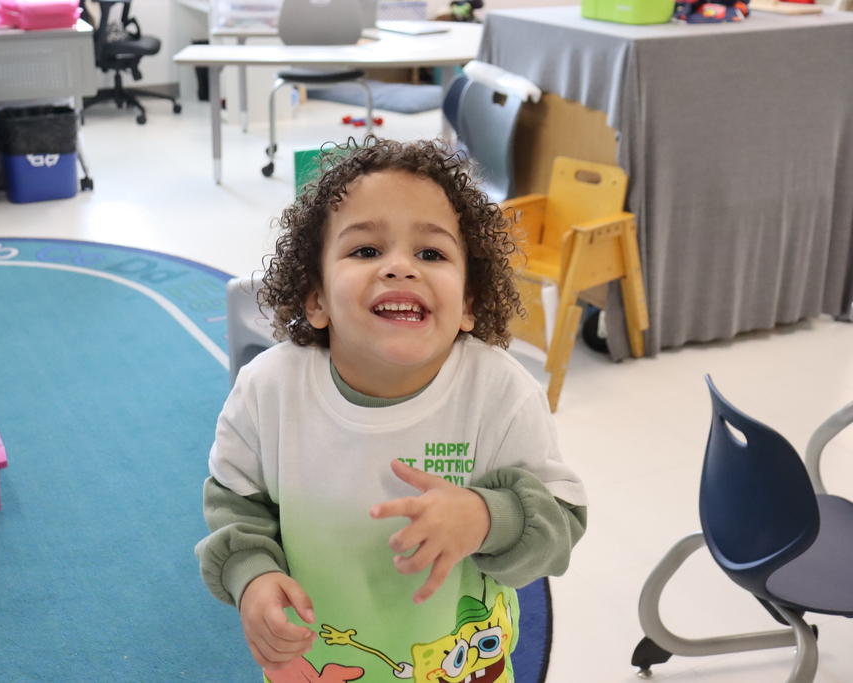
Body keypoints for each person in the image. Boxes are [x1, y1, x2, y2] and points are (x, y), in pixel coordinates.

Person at [196, 137, 587, 683]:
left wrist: (485, 518)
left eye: (431, 254)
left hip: (459, 665)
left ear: (469, 302)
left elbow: (562, 521)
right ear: (317, 298)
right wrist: (252, 574)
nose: (400, 267)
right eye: (366, 251)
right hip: (320, 663)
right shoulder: (269, 390)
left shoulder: (499, 392)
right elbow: (237, 502)